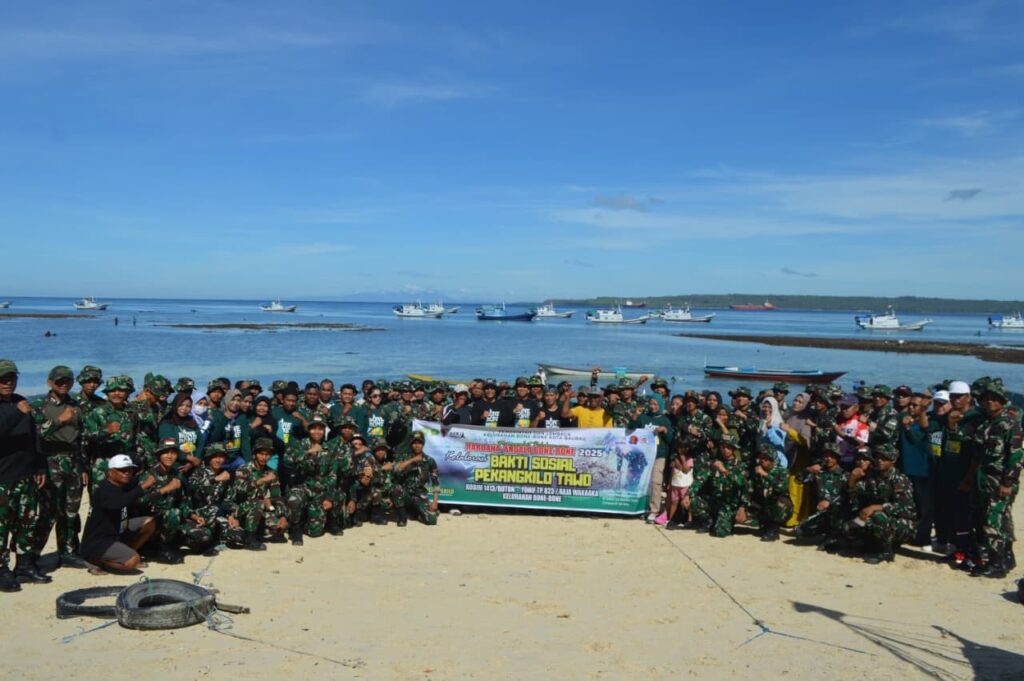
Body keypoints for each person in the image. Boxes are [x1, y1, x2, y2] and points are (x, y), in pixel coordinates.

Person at [30, 365, 88, 569]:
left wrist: (84, 467)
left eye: (67, 381)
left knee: (71, 510)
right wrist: (59, 421)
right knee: (49, 511)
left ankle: (68, 552)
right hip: (50, 460)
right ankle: (31, 555)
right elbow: (34, 434)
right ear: (50, 382)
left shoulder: (76, 405)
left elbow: (81, 438)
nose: (64, 384)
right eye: (59, 381)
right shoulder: (39, 405)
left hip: (73, 461)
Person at [0, 359, 50, 591]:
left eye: (12, 378)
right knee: (2, 526)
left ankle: (24, 565)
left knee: (27, 523)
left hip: (26, 474)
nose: (8, 383)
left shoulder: (20, 401)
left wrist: (40, 467)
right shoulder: (17, 407)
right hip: (3, 478)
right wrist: (15, 413)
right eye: (3, 379)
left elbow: (34, 438)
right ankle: (2, 570)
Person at [967, 379, 1023, 578]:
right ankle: (1007, 557)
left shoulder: (1009, 424)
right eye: (986, 399)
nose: (990, 402)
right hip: (984, 481)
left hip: (1000, 481)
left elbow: (1016, 457)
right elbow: (978, 456)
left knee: (993, 521)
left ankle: (996, 564)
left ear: (1002, 401)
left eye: (994, 399)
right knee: (1000, 519)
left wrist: (1007, 482)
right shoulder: (985, 424)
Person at [80, 454, 165, 574]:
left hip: (117, 531)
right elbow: (118, 503)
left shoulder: (123, 484)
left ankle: (126, 553)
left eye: (129, 470)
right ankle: (96, 561)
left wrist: (160, 469)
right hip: (100, 541)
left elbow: (139, 480)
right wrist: (143, 487)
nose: (127, 473)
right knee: (133, 561)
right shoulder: (104, 489)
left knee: (149, 522)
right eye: (122, 470)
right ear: (110, 472)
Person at [845, 443, 917, 564]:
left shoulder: (900, 479)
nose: (879, 460)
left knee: (878, 517)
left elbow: (905, 507)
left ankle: (886, 552)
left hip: (903, 523)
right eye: (877, 457)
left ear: (893, 460)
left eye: (884, 458)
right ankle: (872, 544)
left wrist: (877, 507)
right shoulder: (873, 477)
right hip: (878, 519)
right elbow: (855, 495)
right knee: (849, 528)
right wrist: (852, 479)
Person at [230, 438, 287, 549]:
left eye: (267, 454)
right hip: (241, 508)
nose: (264, 457)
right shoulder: (244, 469)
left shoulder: (271, 472)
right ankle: (249, 539)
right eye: (261, 454)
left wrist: (282, 516)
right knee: (258, 503)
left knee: (278, 527)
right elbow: (240, 489)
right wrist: (261, 480)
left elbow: (277, 496)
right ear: (255, 454)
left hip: (260, 510)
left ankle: (254, 530)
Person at [794, 443, 848, 551]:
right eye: (826, 456)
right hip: (822, 512)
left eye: (832, 456)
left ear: (837, 458)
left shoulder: (844, 474)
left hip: (839, 512)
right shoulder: (819, 472)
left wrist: (830, 501)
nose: (828, 459)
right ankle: (827, 534)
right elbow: (798, 480)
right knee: (800, 530)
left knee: (835, 510)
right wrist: (809, 469)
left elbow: (847, 496)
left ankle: (834, 538)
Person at [899, 392, 935, 551]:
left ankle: (923, 538)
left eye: (915, 405)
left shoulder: (927, 423)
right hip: (906, 469)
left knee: (924, 507)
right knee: (909, 504)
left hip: (923, 471)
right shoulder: (905, 420)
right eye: (910, 404)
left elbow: (916, 439)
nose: (911, 407)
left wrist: (907, 427)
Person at [630, 395, 673, 523]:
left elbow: (670, 439)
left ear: (660, 405)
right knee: (641, 480)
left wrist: (665, 431)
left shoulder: (665, 419)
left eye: (656, 404)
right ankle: (640, 507)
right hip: (643, 454)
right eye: (651, 404)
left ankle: (654, 510)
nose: (653, 406)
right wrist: (635, 416)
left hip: (659, 455)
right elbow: (631, 429)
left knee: (656, 481)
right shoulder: (643, 417)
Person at [749, 443, 793, 542]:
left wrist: (765, 475)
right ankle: (764, 524)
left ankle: (774, 529)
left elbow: (780, 487)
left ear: (772, 459)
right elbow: (751, 487)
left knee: (780, 502)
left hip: (779, 506)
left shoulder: (782, 471)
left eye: (766, 458)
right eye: (761, 457)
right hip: (765, 503)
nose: (762, 460)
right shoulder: (757, 470)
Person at [707, 433, 748, 538]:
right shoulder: (715, 462)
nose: (725, 450)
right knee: (694, 502)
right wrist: (689, 495)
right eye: (723, 447)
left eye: (728, 447)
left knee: (720, 533)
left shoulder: (740, 465)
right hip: (715, 501)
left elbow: (741, 483)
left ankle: (728, 520)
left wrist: (724, 470)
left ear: (733, 449)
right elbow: (701, 479)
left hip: (729, 505)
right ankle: (709, 520)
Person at [157, 391, 204, 472]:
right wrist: (190, 458)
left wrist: (193, 461)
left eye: (188, 406)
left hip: (192, 465)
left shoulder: (191, 422)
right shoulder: (167, 423)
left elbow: (201, 442)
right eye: (181, 405)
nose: (184, 409)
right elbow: (168, 446)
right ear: (176, 404)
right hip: (174, 466)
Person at [663, 438, 694, 528]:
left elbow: (685, 470)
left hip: (685, 484)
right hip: (675, 484)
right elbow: (672, 471)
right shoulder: (674, 458)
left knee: (687, 503)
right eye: (680, 447)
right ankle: (671, 519)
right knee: (674, 502)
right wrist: (669, 483)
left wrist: (682, 459)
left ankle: (690, 520)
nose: (682, 449)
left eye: (685, 447)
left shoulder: (689, 459)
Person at [757, 396, 788, 469]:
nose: (766, 409)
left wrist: (770, 428)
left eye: (770, 407)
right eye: (765, 406)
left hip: (777, 460)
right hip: (764, 460)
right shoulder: (761, 422)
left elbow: (778, 442)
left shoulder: (779, 423)